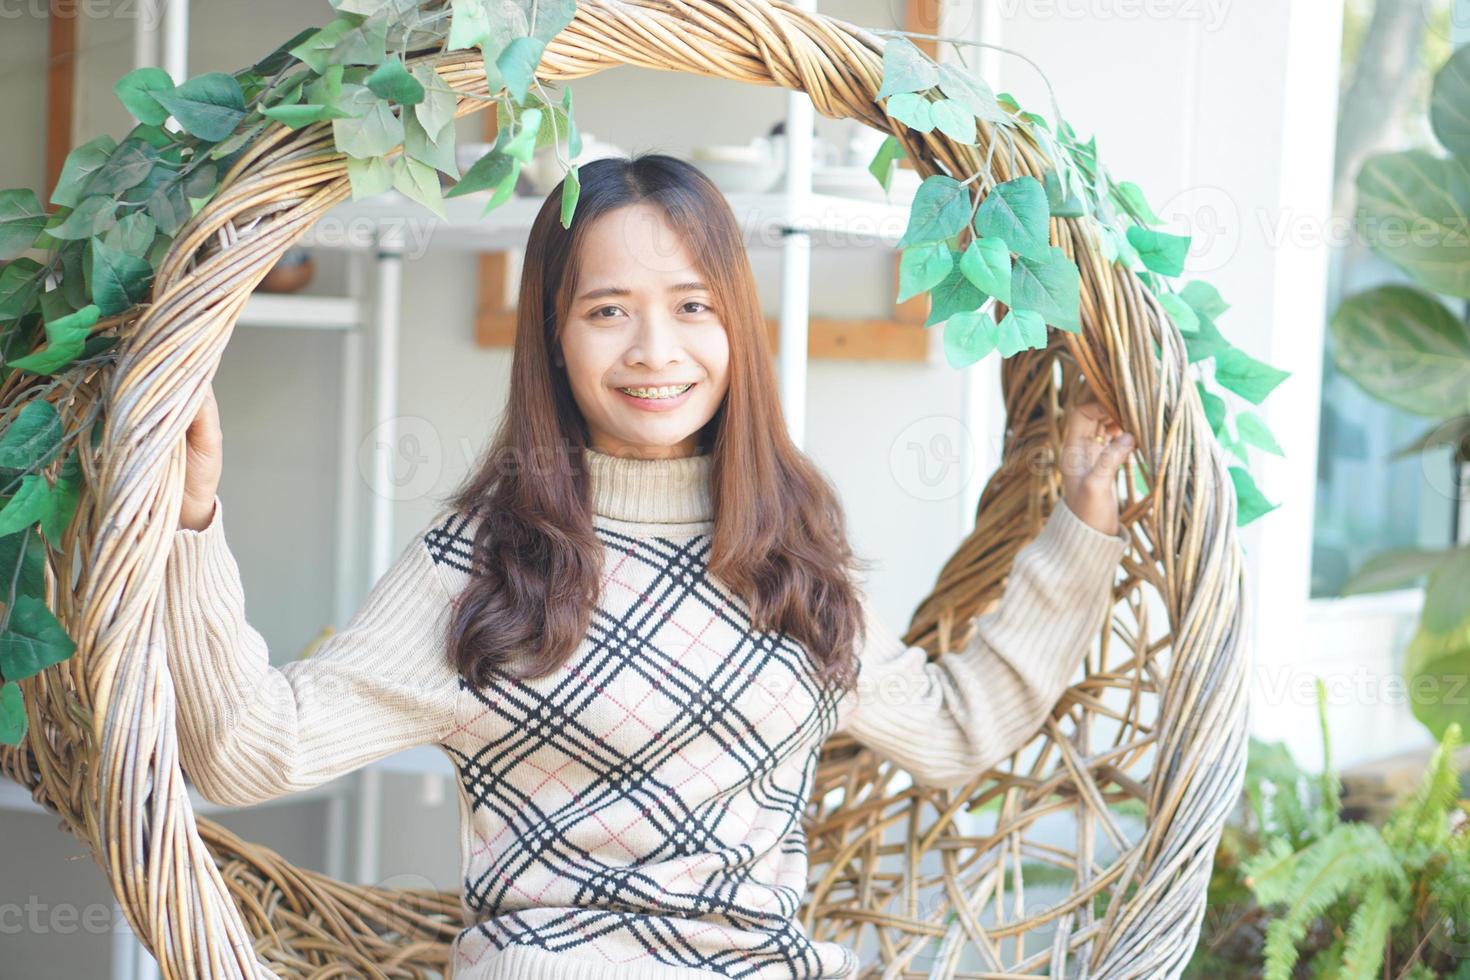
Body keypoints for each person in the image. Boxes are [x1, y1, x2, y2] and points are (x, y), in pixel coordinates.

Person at [167, 153, 1133, 980]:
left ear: (734, 326)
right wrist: (189, 520)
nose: (655, 352)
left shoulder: (787, 550)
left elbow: (959, 727)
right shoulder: (484, 563)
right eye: (607, 311)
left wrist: (1085, 516)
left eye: (691, 306)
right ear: (553, 331)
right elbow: (248, 750)